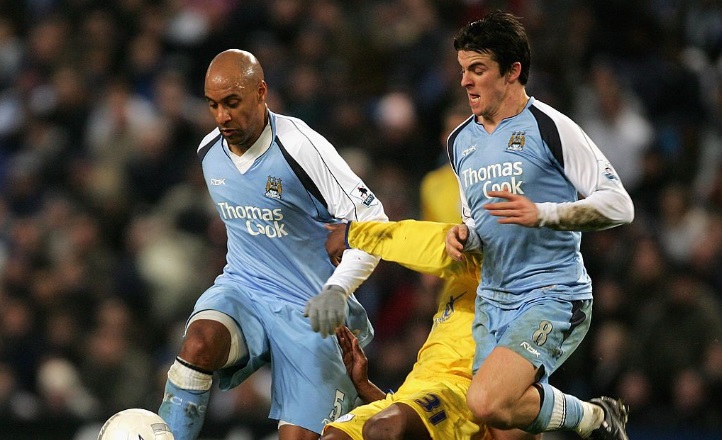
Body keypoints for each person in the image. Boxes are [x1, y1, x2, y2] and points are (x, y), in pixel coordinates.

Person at [157, 49, 387, 440]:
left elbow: (374, 220)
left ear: (261, 92)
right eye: (213, 105)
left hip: (310, 310)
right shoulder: (209, 151)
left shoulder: (300, 146)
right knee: (197, 345)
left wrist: (338, 289)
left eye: (232, 103)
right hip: (245, 289)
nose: (222, 116)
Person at [444, 11, 635, 440]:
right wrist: (465, 236)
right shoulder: (459, 142)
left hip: (552, 293)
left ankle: (595, 417)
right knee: (501, 424)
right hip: (493, 299)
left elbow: (620, 205)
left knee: (485, 402)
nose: (465, 82)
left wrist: (544, 213)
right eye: (463, 70)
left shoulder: (550, 126)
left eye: (478, 70)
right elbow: (476, 219)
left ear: (512, 71)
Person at [319, 219, 489, 440]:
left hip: (461, 394)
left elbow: (428, 244)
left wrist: (354, 233)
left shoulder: (506, 271)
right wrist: (364, 386)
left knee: (382, 429)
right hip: (413, 391)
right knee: (336, 437)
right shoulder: (463, 274)